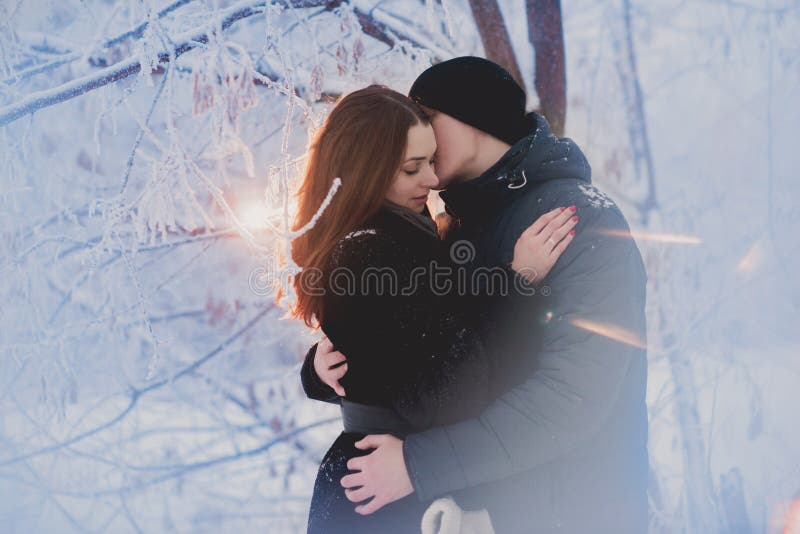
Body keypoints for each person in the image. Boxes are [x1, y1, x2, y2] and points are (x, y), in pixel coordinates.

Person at [303, 56, 650, 533]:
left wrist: (419, 464)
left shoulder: (582, 222)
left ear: (469, 119)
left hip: (567, 512)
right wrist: (331, 362)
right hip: (474, 510)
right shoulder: (451, 224)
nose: (415, 126)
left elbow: (571, 396)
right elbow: (422, 340)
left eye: (425, 113)